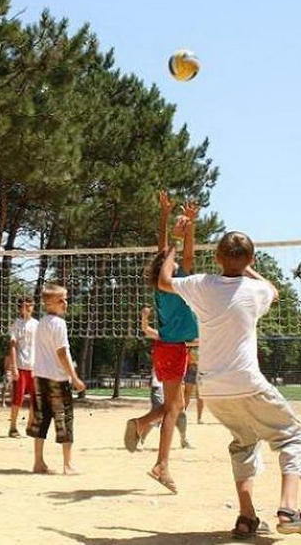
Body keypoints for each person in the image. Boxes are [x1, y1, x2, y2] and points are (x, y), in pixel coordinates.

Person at [161, 229, 301, 538]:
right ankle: (289, 510)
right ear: (251, 260)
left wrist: (173, 244)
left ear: (216, 258)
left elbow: (164, 280)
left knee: (243, 443)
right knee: (293, 437)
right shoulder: (256, 290)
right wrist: (248, 268)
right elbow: (274, 290)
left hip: (212, 389)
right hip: (247, 382)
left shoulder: (201, 284)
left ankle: (246, 517)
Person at [124, 191, 198, 494]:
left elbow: (167, 252)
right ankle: (161, 464)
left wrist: (168, 216)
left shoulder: (164, 280)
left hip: (170, 348)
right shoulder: (174, 284)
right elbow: (180, 255)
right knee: (173, 408)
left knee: (174, 405)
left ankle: (141, 424)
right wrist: (185, 231)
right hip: (171, 348)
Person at [26, 284, 86, 474]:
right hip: (57, 379)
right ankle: (67, 465)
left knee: (41, 419)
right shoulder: (59, 324)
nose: (65, 303)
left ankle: (38, 462)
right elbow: (62, 353)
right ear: (49, 304)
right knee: (64, 419)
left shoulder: (41, 323)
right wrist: (74, 378)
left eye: (65, 299)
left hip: (39, 377)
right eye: (61, 300)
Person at [135, 307, 191, 451]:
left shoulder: (180, 338)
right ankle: (140, 438)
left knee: (181, 412)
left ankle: (184, 439)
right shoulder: (162, 336)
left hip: (175, 384)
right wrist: (144, 317)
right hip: (159, 384)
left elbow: (197, 341)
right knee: (159, 415)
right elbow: (146, 329)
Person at [7, 297, 39, 437]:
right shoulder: (16, 324)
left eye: (30, 305)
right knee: (18, 398)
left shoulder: (37, 324)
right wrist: (13, 367)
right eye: (25, 306)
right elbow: (12, 347)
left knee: (35, 399)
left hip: (35, 367)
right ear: (19, 308)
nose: (28, 308)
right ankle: (13, 427)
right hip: (21, 366)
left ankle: (30, 426)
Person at [183, 344, 204, 424]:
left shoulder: (203, 344)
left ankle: (199, 418)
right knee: (187, 393)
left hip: (201, 369)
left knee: (200, 395)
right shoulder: (190, 345)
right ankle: (182, 415)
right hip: (191, 368)